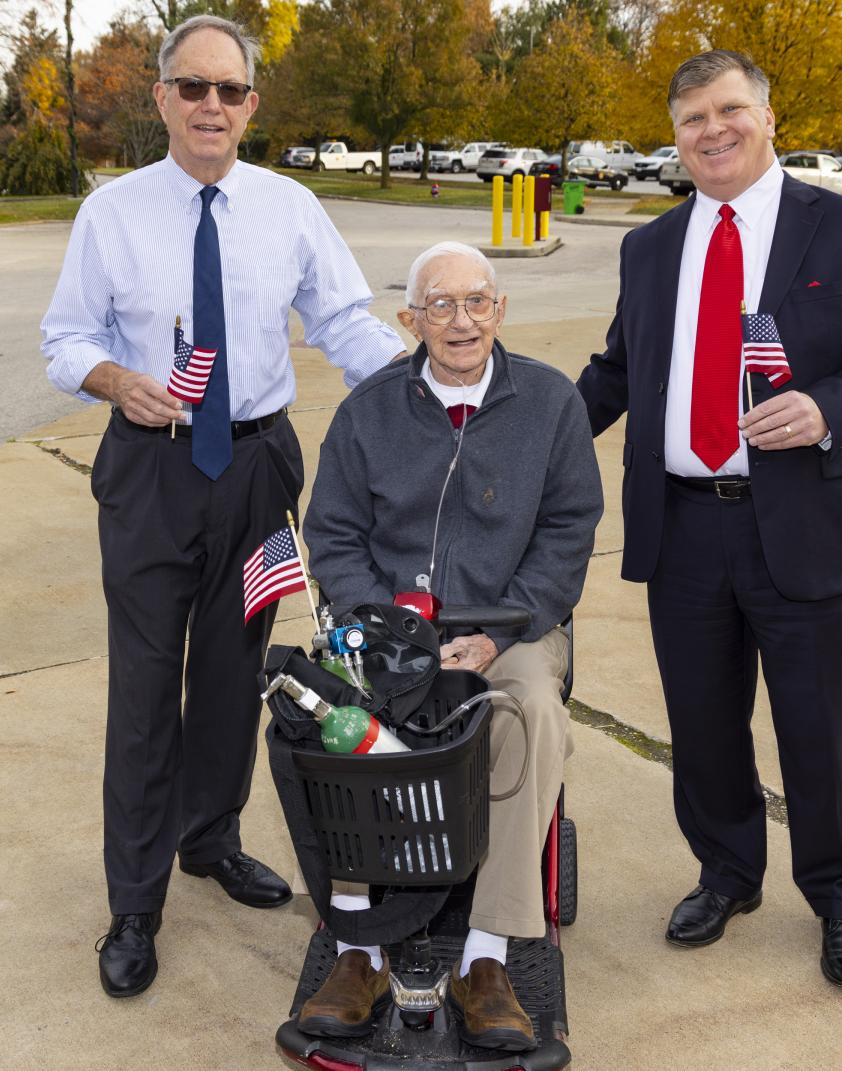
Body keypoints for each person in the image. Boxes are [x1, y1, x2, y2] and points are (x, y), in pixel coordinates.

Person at [39, 14, 405, 999]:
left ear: (251, 105)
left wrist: (427, 395)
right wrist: (116, 379)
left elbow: (341, 320)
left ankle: (211, 839)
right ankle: (135, 899)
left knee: (239, 664)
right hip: (152, 474)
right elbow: (64, 339)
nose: (210, 105)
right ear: (161, 97)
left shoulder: (288, 206)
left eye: (229, 91)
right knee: (148, 684)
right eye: (191, 87)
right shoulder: (113, 214)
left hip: (255, 472)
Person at [575, 50, 842, 990]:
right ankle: (727, 871)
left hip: (803, 518)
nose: (712, 131)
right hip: (682, 522)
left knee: (824, 724)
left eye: (729, 110)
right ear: (676, 137)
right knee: (701, 722)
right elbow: (619, 369)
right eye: (692, 118)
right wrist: (527, 428)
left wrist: (829, 407)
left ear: (768, 118)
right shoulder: (649, 247)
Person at [300, 242, 603, 1051]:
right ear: (411, 319)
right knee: (333, 714)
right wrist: (392, 634)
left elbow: (570, 529)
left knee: (530, 703)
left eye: (477, 302)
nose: (460, 320)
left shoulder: (550, 402)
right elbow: (330, 532)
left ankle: (487, 955)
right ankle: (360, 946)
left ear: (500, 310)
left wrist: (500, 628)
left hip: (510, 626)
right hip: (391, 631)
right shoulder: (368, 410)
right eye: (440, 304)